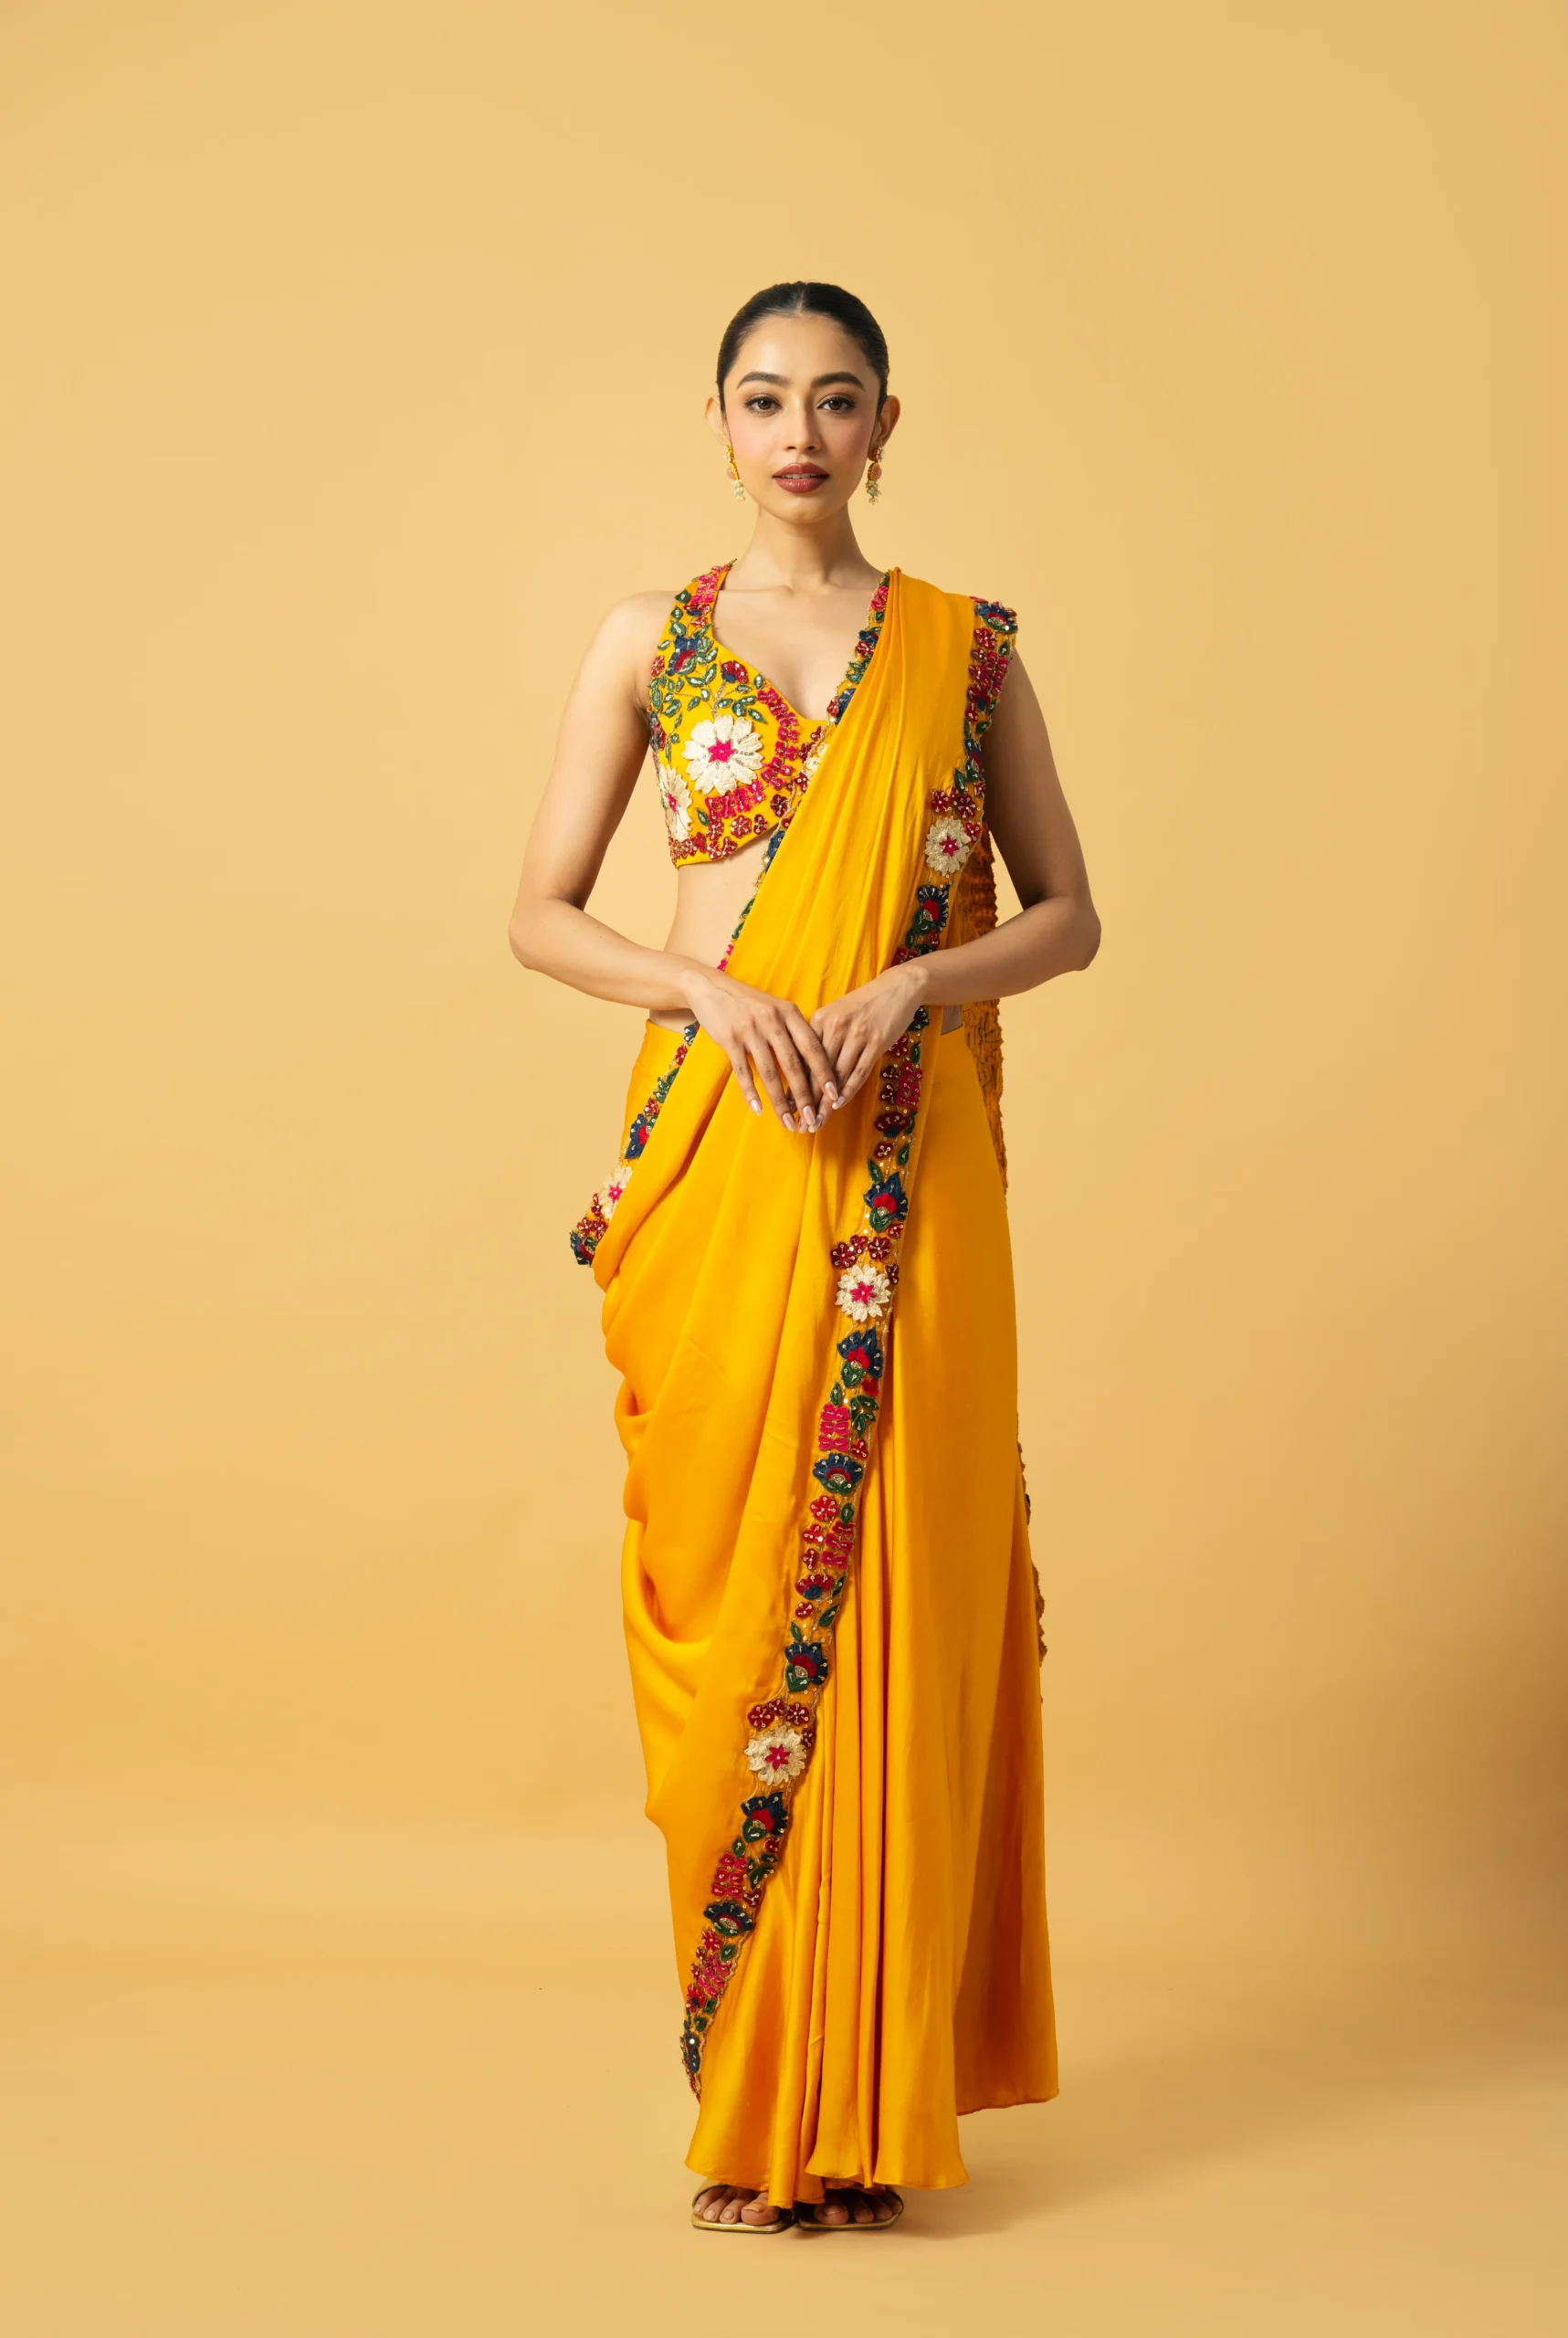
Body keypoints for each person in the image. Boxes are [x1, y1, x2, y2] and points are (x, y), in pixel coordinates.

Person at [510, 281, 1100, 2233]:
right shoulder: (650, 639)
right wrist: (703, 986)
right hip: (722, 1151)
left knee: (898, 1592)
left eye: (836, 400)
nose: (799, 434)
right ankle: (763, 2087)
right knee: (735, 1595)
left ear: (884, 425)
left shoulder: (965, 651)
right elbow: (540, 911)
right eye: (765, 398)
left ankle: (864, 2114)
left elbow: (1070, 913)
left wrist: (919, 977)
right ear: (719, 421)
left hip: (910, 1166)